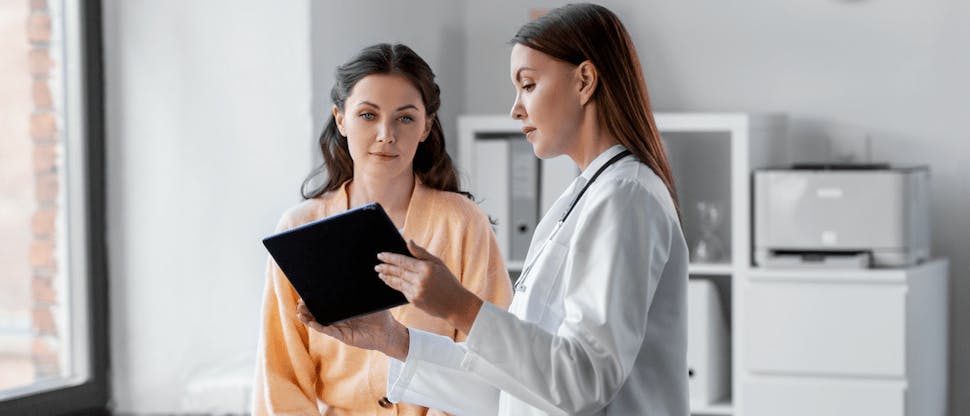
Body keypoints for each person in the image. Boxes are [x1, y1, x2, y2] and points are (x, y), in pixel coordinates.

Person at [299, 3, 689, 415]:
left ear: (585, 80)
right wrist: (393, 339)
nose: (516, 109)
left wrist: (460, 306)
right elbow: (513, 390)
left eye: (529, 84)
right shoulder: (582, 199)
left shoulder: (625, 196)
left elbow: (584, 380)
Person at [253, 43, 514, 415]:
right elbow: (281, 380)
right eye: (367, 115)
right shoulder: (301, 228)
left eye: (405, 118)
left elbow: (492, 356)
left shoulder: (462, 223)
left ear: (426, 125)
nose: (386, 133)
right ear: (341, 119)